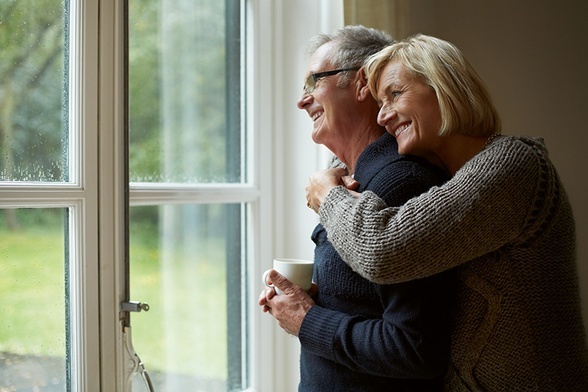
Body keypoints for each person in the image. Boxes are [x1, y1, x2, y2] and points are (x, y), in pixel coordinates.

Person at [305, 33, 588, 391]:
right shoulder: (447, 179)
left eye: (395, 94)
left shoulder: (515, 167)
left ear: (444, 87)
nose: (384, 115)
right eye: (378, 103)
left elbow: (383, 250)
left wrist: (327, 193)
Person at [259, 26, 456, 391]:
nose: (302, 102)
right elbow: (367, 304)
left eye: (314, 82)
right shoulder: (351, 179)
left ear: (363, 83)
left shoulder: (401, 184)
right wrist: (308, 303)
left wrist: (307, 320)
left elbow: (415, 349)